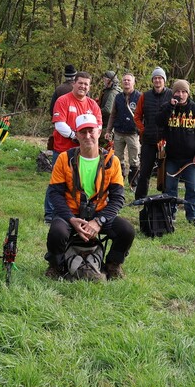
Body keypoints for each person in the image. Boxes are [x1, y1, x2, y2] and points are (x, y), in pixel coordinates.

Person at [45, 113, 135, 279]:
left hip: (99, 214)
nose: (87, 136)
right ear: (76, 135)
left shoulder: (112, 161)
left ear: (99, 132)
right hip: (71, 214)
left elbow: (118, 198)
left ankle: (113, 265)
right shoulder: (64, 159)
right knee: (57, 232)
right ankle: (55, 267)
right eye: (83, 132)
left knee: (127, 230)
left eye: (91, 131)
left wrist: (99, 221)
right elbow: (55, 194)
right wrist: (71, 218)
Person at [44, 71, 102, 222]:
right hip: (63, 149)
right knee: (57, 183)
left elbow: (98, 126)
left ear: (89, 87)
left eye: (86, 84)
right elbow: (59, 124)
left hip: (84, 153)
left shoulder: (93, 105)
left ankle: (77, 211)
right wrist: (74, 136)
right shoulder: (63, 100)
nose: (83, 86)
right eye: (80, 83)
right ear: (74, 83)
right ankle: (50, 214)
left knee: (78, 183)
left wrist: (89, 140)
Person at [157, 78, 195, 225]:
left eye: (184, 91)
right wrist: (170, 107)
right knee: (170, 188)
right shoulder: (167, 107)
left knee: (192, 188)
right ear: (173, 93)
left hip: (190, 159)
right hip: (171, 158)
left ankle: (192, 216)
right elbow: (158, 122)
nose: (181, 94)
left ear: (188, 93)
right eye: (178, 91)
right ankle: (170, 215)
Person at [133, 67, 172, 199]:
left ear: (164, 80)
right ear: (152, 80)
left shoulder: (171, 95)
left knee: (165, 170)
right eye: (155, 78)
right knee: (145, 170)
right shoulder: (145, 96)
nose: (157, 80)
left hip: (166, 139)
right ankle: (140, 197)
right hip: (149, 139)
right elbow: (137, 116)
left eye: (160, 78)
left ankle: (166, 197)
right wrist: (143, 129)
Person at [111, 73, 142, 185]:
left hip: (133, 133)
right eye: (124, 80)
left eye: (129, 80)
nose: (126, 82)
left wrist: (142, 130)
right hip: (118, 132)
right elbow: (113, 114)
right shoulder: (118, 97)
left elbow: (144, 115)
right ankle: (119, 181)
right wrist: (109, 130)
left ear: (133, 82)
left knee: (134, 159)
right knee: (118, 159)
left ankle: (134, 183)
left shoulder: (139, 96)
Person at [98, 70, 118, 135]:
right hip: (104, 124)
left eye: (105, 79)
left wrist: (95, 111)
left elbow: (107, 110)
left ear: (109, 80)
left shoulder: (113, 93)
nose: (103, 81)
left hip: (107, 127)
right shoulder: (107, 90)